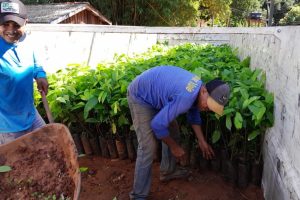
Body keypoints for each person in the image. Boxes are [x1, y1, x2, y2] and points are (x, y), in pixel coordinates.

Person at [127, 65, 230, 199]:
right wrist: (174, 147)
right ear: (204, 91)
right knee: (148, 147)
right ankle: (138, 196)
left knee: (173, 131)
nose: (208, 108)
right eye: (210, 104)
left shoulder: (197, 90)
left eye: (213, 107)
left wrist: (202, 141)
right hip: (140, 96)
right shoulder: (186, 98)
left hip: (155, 94)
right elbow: (157, 125)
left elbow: (194, 114)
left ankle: (168, 171)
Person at [0, 0, 48, 145]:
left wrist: (40, 75)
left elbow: (36, 63)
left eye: (16, 25)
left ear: (25, 23)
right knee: (18, 164)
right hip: (7, 126)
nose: (11, 29)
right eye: (5, 24)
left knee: (48, 146)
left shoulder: (26, 41)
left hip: (30, 114)